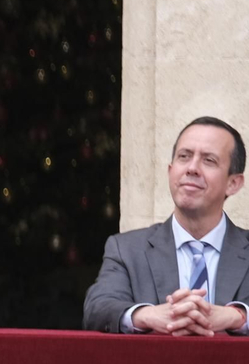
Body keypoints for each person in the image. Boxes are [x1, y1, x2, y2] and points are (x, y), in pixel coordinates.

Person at [83, 116, 249, 336]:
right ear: (171, 171)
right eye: (184, 156)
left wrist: (238, 317)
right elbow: (97, 308)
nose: (192, 168)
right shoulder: (126, 249)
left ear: (233, 183)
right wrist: (145, 315)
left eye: (208, 160)